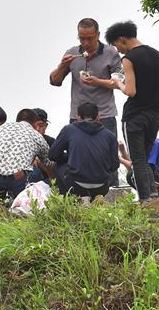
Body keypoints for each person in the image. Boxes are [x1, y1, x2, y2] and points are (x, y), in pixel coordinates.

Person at [49, 18, 123, 186]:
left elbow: (120, 82)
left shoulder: (111, 52)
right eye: (82, 38)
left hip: (104, 114)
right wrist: (62, 65)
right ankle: (76, 190)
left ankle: (111, 191)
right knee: (75, 156)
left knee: (107, 157)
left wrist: (97, 81)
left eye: (90, 38)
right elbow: (54, 81)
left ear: (97, 35)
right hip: (78, 116)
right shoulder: (73, 53)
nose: (86, 43)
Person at [105, 20, 159, 203]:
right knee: (145, 157)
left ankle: (145, 199)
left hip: (135, 116)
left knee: (138, 159)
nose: (118, 50)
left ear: (122, 39)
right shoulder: (157, 54)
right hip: (155, 114)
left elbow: (130, 91)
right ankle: (154, 196)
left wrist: (118, 83)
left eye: (116, 46)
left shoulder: (129, 59)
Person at [48, 102, 119, 198]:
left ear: (78, 117)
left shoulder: (69, 130)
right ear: (98, 117)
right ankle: (97, 201)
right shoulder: (110, 135)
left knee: (58, 165)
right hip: (101, 187)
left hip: (75, 185)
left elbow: (52, 155)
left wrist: (70, 157)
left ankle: (69, 202)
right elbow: (114, 165)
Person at [0, 109, 52, 200]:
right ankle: (25, 201)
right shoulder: (37, 136)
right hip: (17, 179)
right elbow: (49, 165)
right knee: (36, 173)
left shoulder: (2, 128)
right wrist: (54, 182)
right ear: (35, 124)